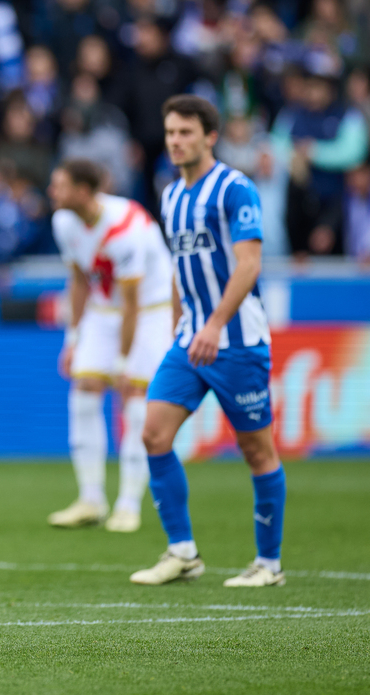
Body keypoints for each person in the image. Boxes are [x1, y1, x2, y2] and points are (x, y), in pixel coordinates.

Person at [131, 95, 285, 588]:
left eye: (185, 133)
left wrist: (215, 324)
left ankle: (269, 564)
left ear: (209, 136)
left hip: (236, 340)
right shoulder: (171, 195)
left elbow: (249, 264)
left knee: (256, 450)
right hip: (190, 340)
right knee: (154, 433)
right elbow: (181, 269)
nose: (175, 141)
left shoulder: (235, 190)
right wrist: (182, 326)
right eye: (170, 132)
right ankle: (183, 552)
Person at [47, 159, 174, 533]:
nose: (52, 192)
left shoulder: (126, 227)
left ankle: (129, 504)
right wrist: (73, 338)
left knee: (135, 397)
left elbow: (132, 301)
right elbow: (80, 281)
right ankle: (91, 499)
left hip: (148, 311)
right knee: (84, 390)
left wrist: (121, 360)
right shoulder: (64, 223)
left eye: (60, 185)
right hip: (104, 310)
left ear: (83, 192)